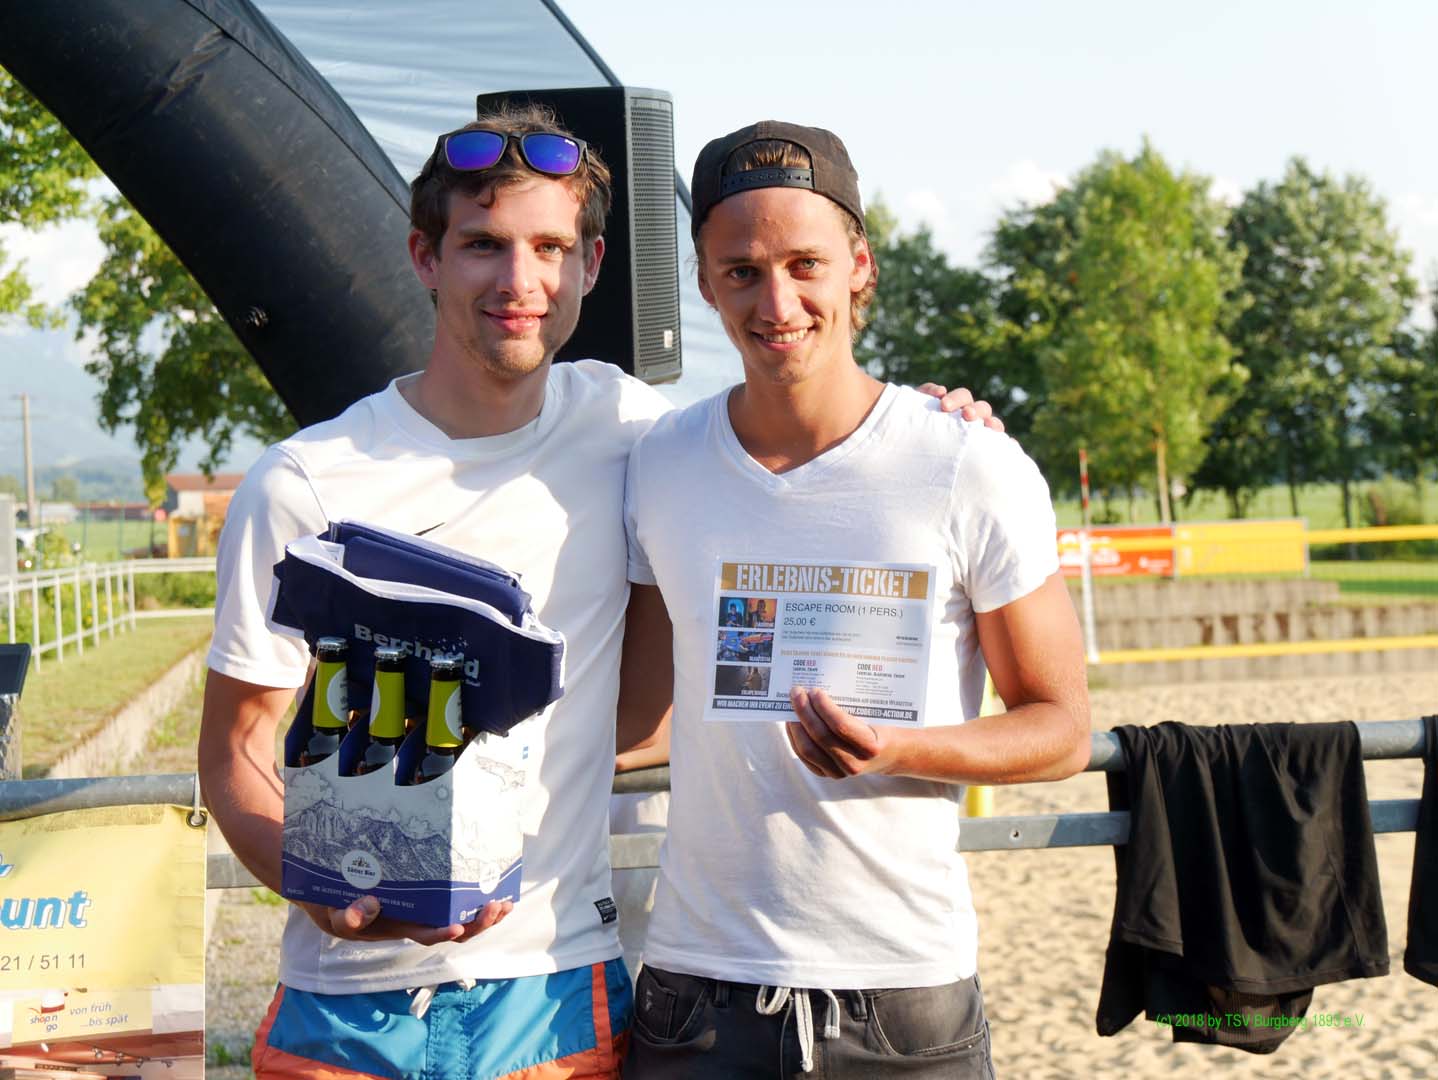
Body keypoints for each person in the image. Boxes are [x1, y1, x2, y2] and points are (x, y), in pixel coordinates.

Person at [198, 103, 1000, 1080]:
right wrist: (319, 888)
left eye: (549, 247)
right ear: (424, 257)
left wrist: (933, 424)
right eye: (483, 244)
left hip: (556, 998)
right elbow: (235, 750)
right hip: (343, 1012)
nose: (518, 280)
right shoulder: (303, 481)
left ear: (591, 264)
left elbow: (799, 444)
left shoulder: (634, 435)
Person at [621, 122, 1092, 1078]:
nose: (777, 302)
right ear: (704, 283)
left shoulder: (968, 464)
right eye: (742, 271)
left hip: (902, 996)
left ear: (860, 266)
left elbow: (1062, 731)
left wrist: (900, 748)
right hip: (693, 996)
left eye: (806, 265)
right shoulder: (658, 463)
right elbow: (641, 719)